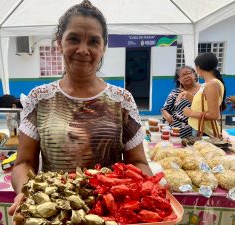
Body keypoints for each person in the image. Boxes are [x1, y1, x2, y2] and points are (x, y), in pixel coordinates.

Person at [8, 0, 152, 216]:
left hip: (109, 214)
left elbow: (138, 162)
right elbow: (24, 162)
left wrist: (148, 188)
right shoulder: (39, 98)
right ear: (59, 43)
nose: (83, 50)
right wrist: (25, 192)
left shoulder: (122, 100)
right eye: (73, 39)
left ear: (103, 47)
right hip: (55, 213)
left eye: (93, 41)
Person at [181, 52, 226, 137]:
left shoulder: (212, 85)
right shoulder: (207, 83)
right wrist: (188, 95)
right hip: (199, 127)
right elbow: (203, 104)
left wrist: (190, 113)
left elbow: (214, 115)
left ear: (198, 67)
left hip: (204, 130)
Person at [161, 66, 201, 138]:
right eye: (182, 75)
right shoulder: (175, 92)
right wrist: (167, 116)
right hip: (176, 131)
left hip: (198, 129)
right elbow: (164, 109)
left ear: (195, 74)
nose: (186, 76)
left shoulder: (203, 90)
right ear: (179, 80)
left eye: (188, 73)